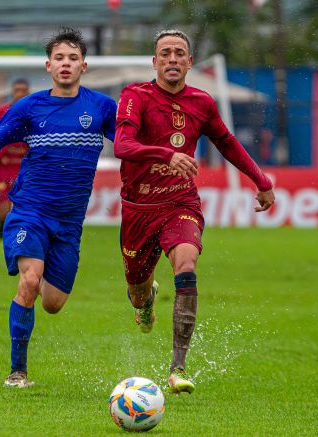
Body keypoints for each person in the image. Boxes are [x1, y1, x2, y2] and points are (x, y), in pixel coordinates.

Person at [114, 29, 275, 394]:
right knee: (137, 290)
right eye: (165, 53)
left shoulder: (202, 102)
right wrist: (166, 154)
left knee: (186, 264)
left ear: (189, 62)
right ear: (154, 62)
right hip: (138, 209)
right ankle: (144, 302)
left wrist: (261, 180)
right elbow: (123, 145)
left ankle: (177, 367)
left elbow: (228, 142)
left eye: (179, 53)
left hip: (180, 204)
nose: (172, 59)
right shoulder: (134, 96)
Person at [0, 28, 117, 388]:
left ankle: (43, 270)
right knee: (29, 282)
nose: (66, 64)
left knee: (53, 303)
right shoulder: (29, 106)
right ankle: (18, 372)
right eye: (59, 58)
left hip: (69, 221)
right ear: (48, 66)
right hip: (30, 209)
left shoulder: (102, 107)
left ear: (84, 66)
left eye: (72, 58)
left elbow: (128, 143)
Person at [0, 78, 31, 239]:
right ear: (12, 92)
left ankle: (18, 238)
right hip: (4, 168)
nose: (19, 93)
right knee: (4, 210)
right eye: (16, 90)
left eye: (23, 90)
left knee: (24, 210)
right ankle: (2, 222)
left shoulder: (35, 113)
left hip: (26, 167)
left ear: (28, 92)